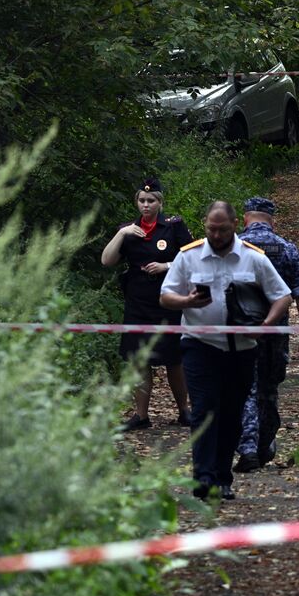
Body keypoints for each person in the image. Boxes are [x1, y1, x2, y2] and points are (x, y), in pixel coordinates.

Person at [161, 201, 292, 501]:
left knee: (231, 413)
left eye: (222, 229)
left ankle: (222, 477)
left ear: (236, 224)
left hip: (242, 349)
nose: (216, 235)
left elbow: (282, 295)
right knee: (204, 409)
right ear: (204, 224)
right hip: (199, 345)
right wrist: (185, 303)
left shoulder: (253, 259)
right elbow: (166, 296)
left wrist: (266, 324)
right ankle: (203, 478)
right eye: (211, 229)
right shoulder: (188, 256)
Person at [100, 178, 192, 431]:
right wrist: (121, 233)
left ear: (160, 203)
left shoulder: (173, 227)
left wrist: (166, 266)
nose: (146, 205)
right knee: (139, 360)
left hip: (168, 300)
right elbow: (107, 261)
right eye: (142, 200)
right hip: (138, 301)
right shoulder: (128, 231)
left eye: (151, 201)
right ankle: (141, 415)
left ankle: (184, 411)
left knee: (174, 359)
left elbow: (192, 260)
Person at [235, 196, 299, 472]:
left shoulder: (232, 247)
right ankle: (264, 443)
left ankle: (247, 447)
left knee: (245, 386)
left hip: (239, 329)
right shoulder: (286, 249)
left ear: (245, 219)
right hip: (276, 330)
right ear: (272, 221)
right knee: (269, 387)